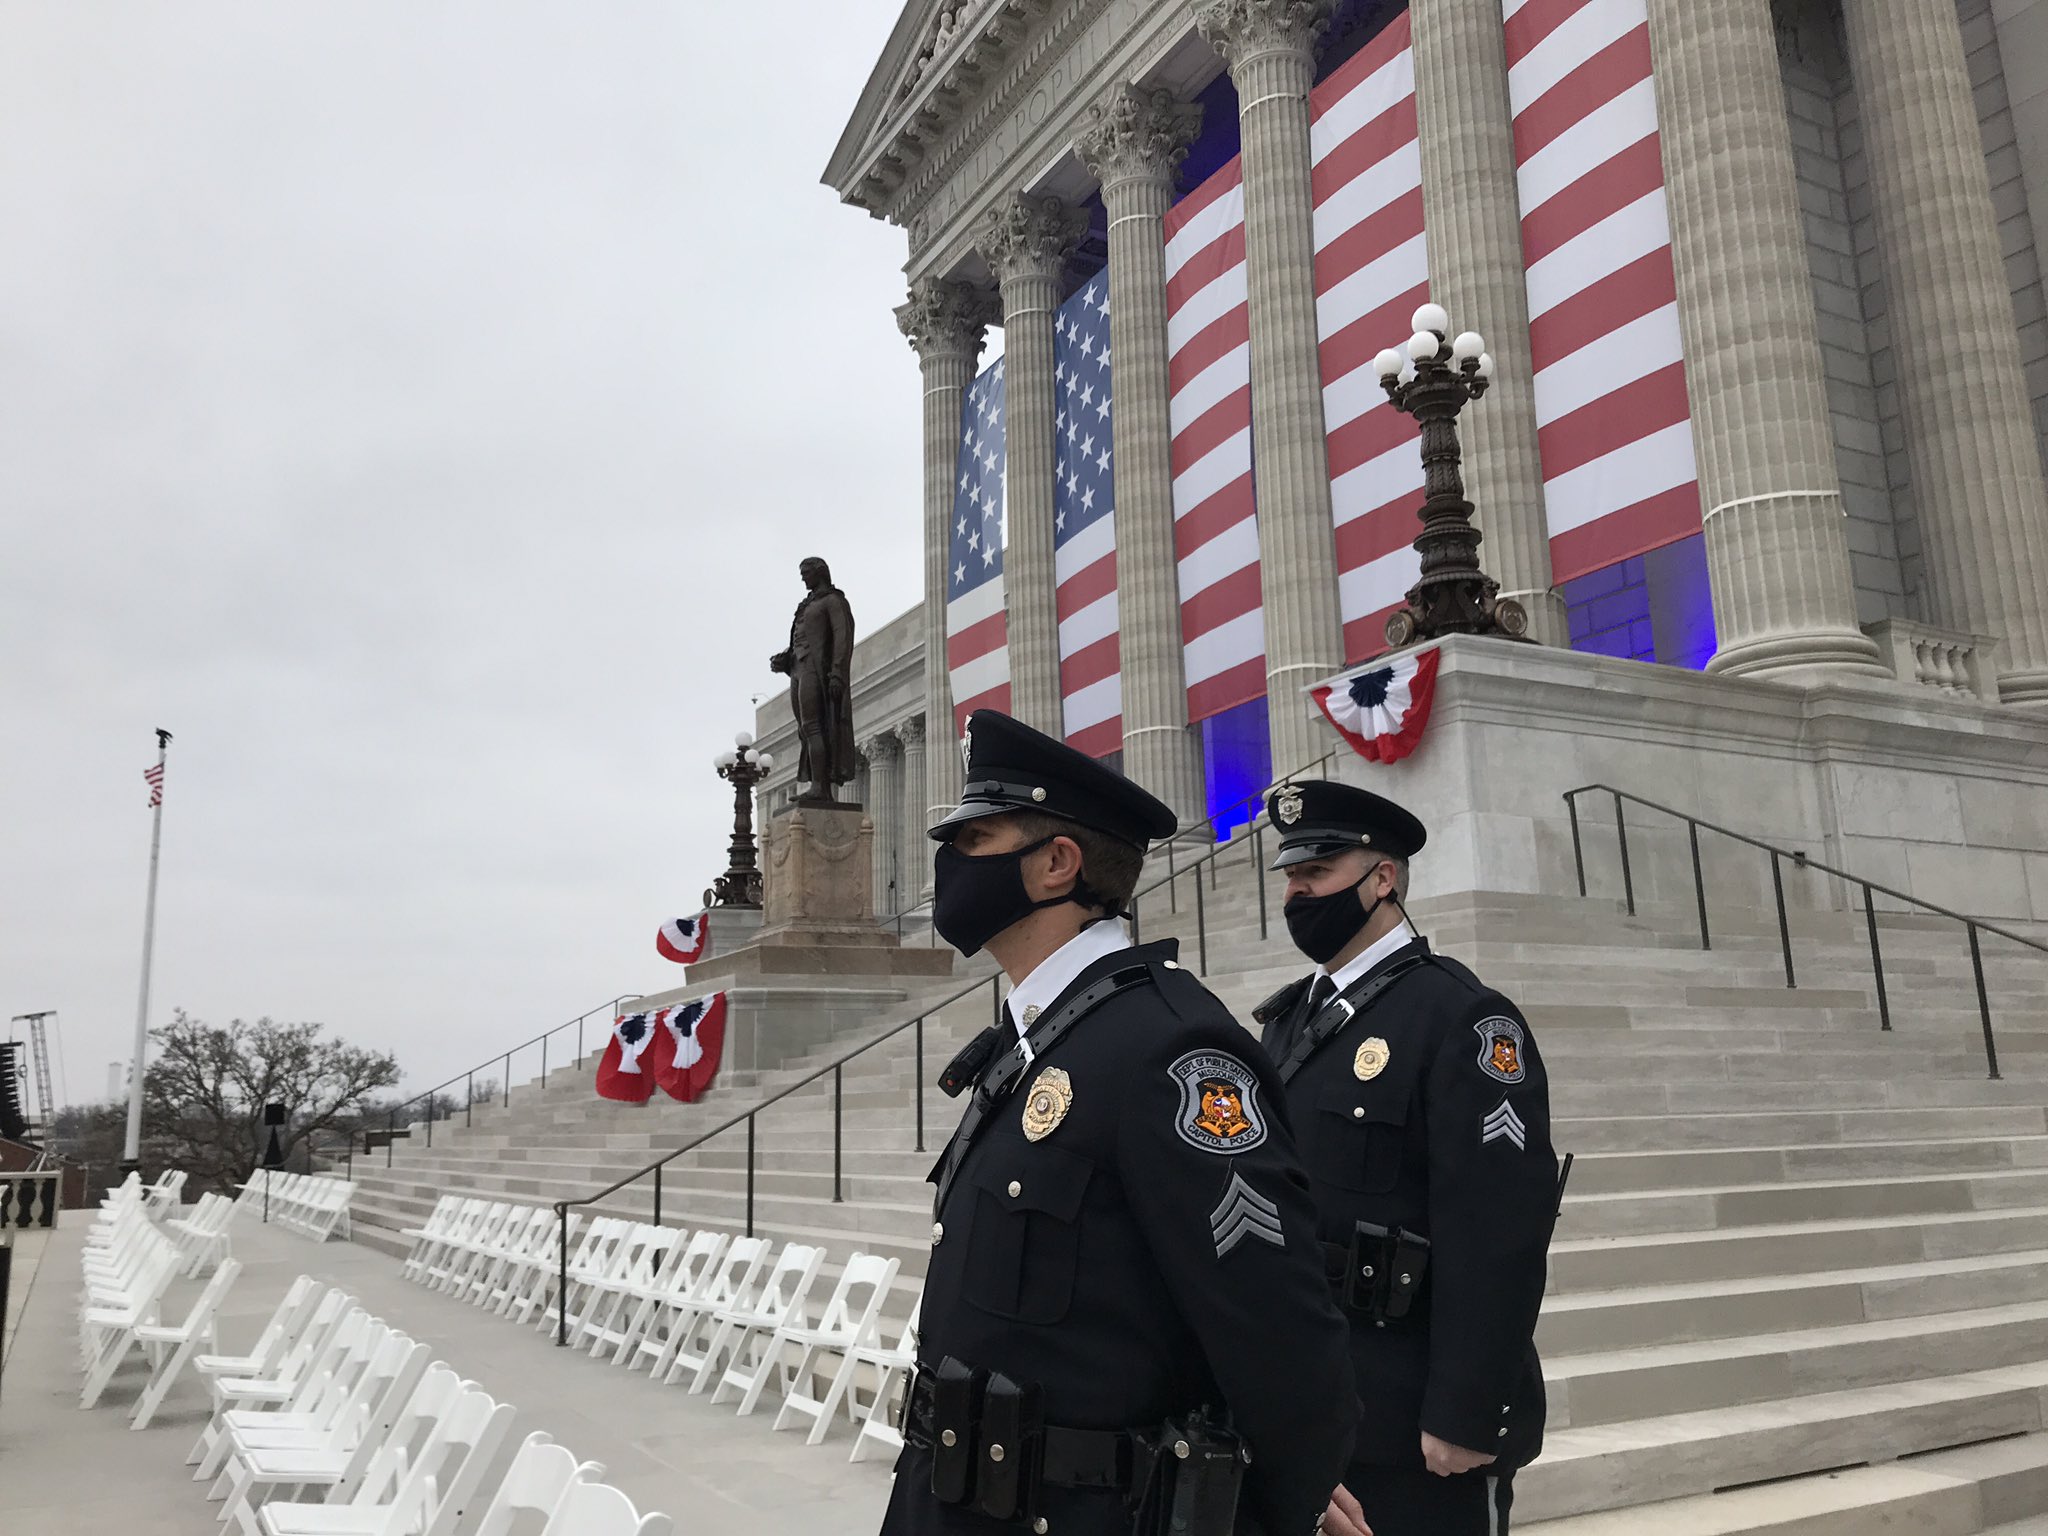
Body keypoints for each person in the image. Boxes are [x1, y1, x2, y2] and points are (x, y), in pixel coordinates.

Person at [882, 710, 1368, 1536]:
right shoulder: (1040, 1035)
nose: (949, 865)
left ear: (1055, 865)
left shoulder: (1169, 1047)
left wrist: (1285, 1503)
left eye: (973, 840)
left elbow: (1277, 1329)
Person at [1252, 780, 1558, 1536]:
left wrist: (1467, 1408)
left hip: (1414, 1421)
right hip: (1315, 1399)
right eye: (1290, 877)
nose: (1297, 894)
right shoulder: (1290, 1021)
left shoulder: (1462, 1017)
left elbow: (1500, 1231)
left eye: (1316, 874)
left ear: (1380, 879)